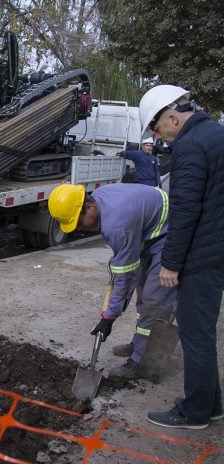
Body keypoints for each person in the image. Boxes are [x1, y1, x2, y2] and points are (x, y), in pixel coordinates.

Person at [138, 85, 224, 430]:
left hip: (205, 251)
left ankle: (196, 412)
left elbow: (185, 209)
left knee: (195, 332)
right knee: (201, 329)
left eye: (159, 130)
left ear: (173, 117)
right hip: (218, 245)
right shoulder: (216, 134)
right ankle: (212, 404)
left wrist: (171, 263)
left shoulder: (189, 146)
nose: (161, 138)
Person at [48, 183, 177, 380]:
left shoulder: (116, 225)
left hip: (170, 236)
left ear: (89, 207)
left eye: (79, 222)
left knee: (153, 300)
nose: (80, 228)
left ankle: (140, 361)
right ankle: (140, 342)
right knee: (143, 294)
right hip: (149, 234)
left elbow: (125, 278)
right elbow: (126, 271)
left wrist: (109, 317)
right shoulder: (99, 197)